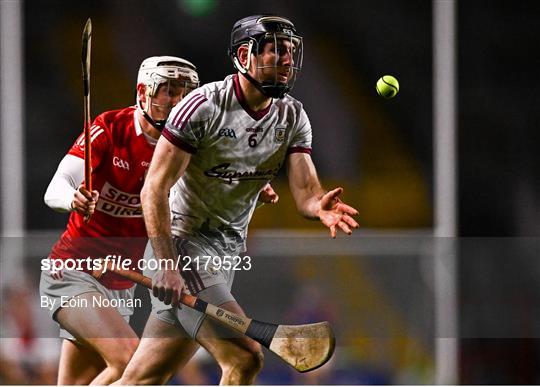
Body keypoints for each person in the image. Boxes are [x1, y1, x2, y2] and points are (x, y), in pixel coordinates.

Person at [118, 14, 359, 385]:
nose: (287, 61)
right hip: (183, 248)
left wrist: (317, 207)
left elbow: (306, 191)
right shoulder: (202, 107)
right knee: (245, 357)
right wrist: (166, 263)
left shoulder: (292, 115)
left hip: (224, 255)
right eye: (276, 51)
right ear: (244, 55)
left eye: (291, 53)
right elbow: (154, 188)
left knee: (141, 378)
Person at [39, 56, 200, 385]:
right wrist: (73, 198)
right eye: (168, 90)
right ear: (143, 92)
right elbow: (55, 188)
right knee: (129, 361)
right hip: (74, 271)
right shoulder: (109, 128)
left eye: (184, 92)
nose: (177, 101)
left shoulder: (187, 148)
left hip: (121, 285)